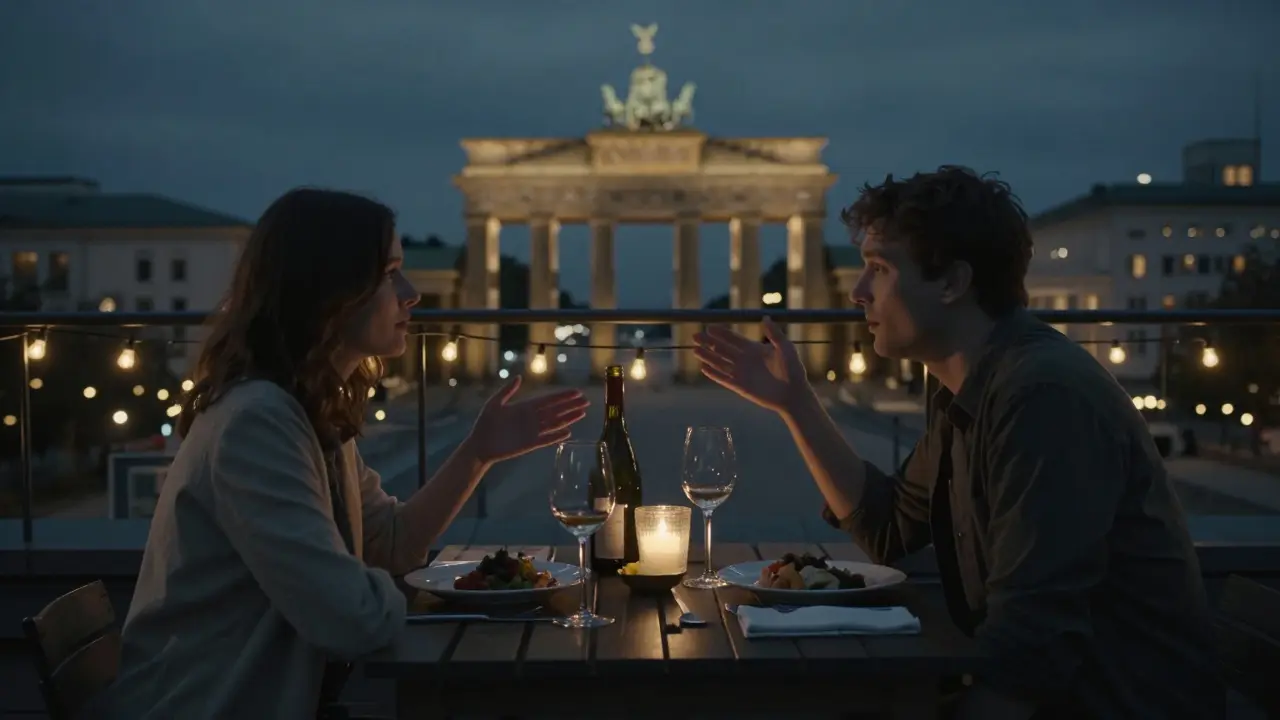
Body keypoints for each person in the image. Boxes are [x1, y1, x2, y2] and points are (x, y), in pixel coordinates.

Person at [693, 167, 1225, 719]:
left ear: (951, 283)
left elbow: (1030, 654)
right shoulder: (974, 385)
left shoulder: (1041, 397)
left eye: (879, 269)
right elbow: (887, 525)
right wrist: (796, 404)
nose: (856, 292)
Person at [93, 188, 590, 720]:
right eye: (389, 272)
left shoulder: (303, 407)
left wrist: (477, 453)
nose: (412, 292)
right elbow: (352, 620)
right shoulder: (257, 423)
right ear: (330, 292)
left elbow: (391, 544)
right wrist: (404, 590)